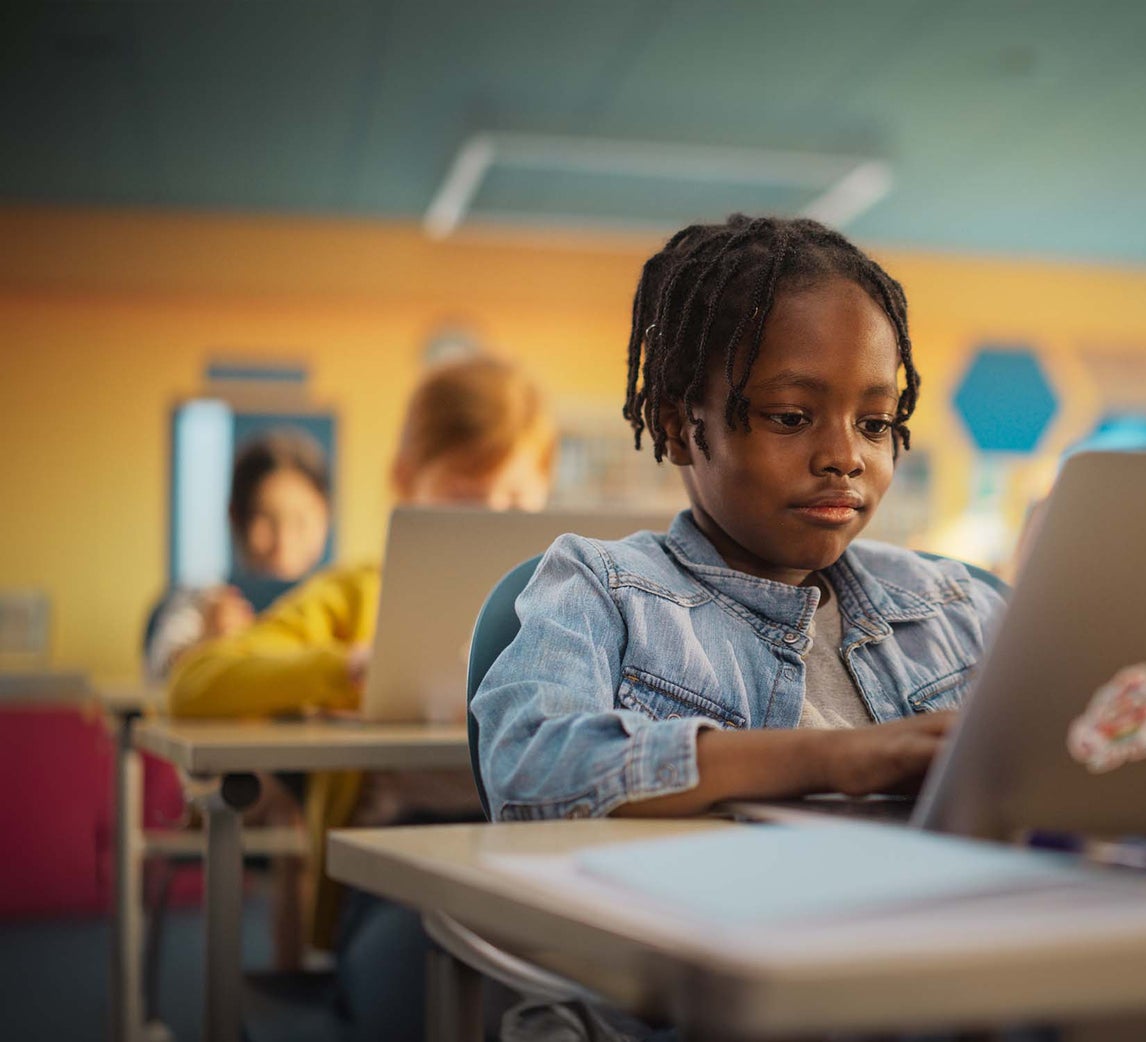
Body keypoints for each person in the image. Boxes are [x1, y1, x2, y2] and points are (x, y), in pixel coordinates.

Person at [474, 215, 1005, 826]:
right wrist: (833, 759)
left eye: (876, 423)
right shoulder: (603, 588)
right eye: (789, 416)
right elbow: (527, 773)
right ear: (678, 427)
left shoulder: (957, 607)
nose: (846, 457)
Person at [167, 355, 555, 1042]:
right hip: (400, 866)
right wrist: (346, 665)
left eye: (518, 504)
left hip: (546, 856)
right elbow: (198, 681)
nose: (494, 525)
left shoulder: (569, 598)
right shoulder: (356, 594)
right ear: (405, 481)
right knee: (436, 993)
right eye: (467, 501)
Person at [144, 428, 333, 681]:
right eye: (265, 518)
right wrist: (207, 646)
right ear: (236, 517)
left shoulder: (339, 604)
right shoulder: (204, 600)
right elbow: (158, 670)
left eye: (300, 521)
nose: (283, 542)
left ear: (326, 519)